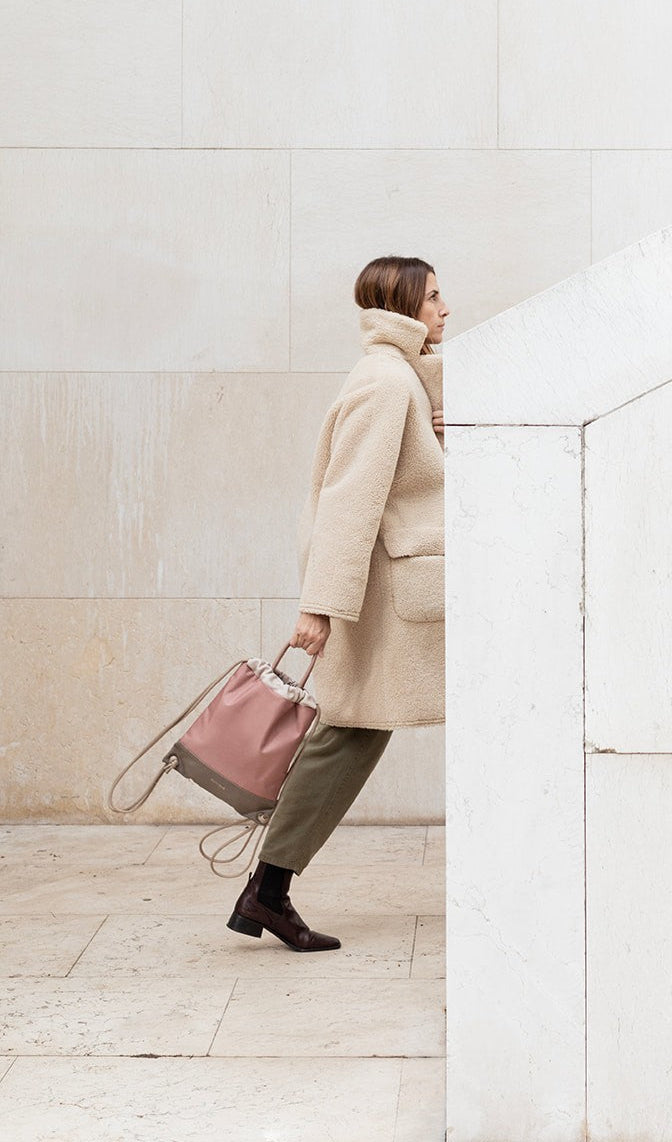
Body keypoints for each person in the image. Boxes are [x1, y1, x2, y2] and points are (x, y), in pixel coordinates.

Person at [226, 256, 448, 952]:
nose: (446, 307)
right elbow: (348, 501)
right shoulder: (386, 385)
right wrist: (319, 606)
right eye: (435, 296)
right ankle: (267, 888)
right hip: (380, 600)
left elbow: (407, 480)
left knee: (352, 734)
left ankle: (267, 890)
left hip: (390, 593)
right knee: (346, 733)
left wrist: (441, 435)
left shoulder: (399, 381)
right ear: (406, 302)